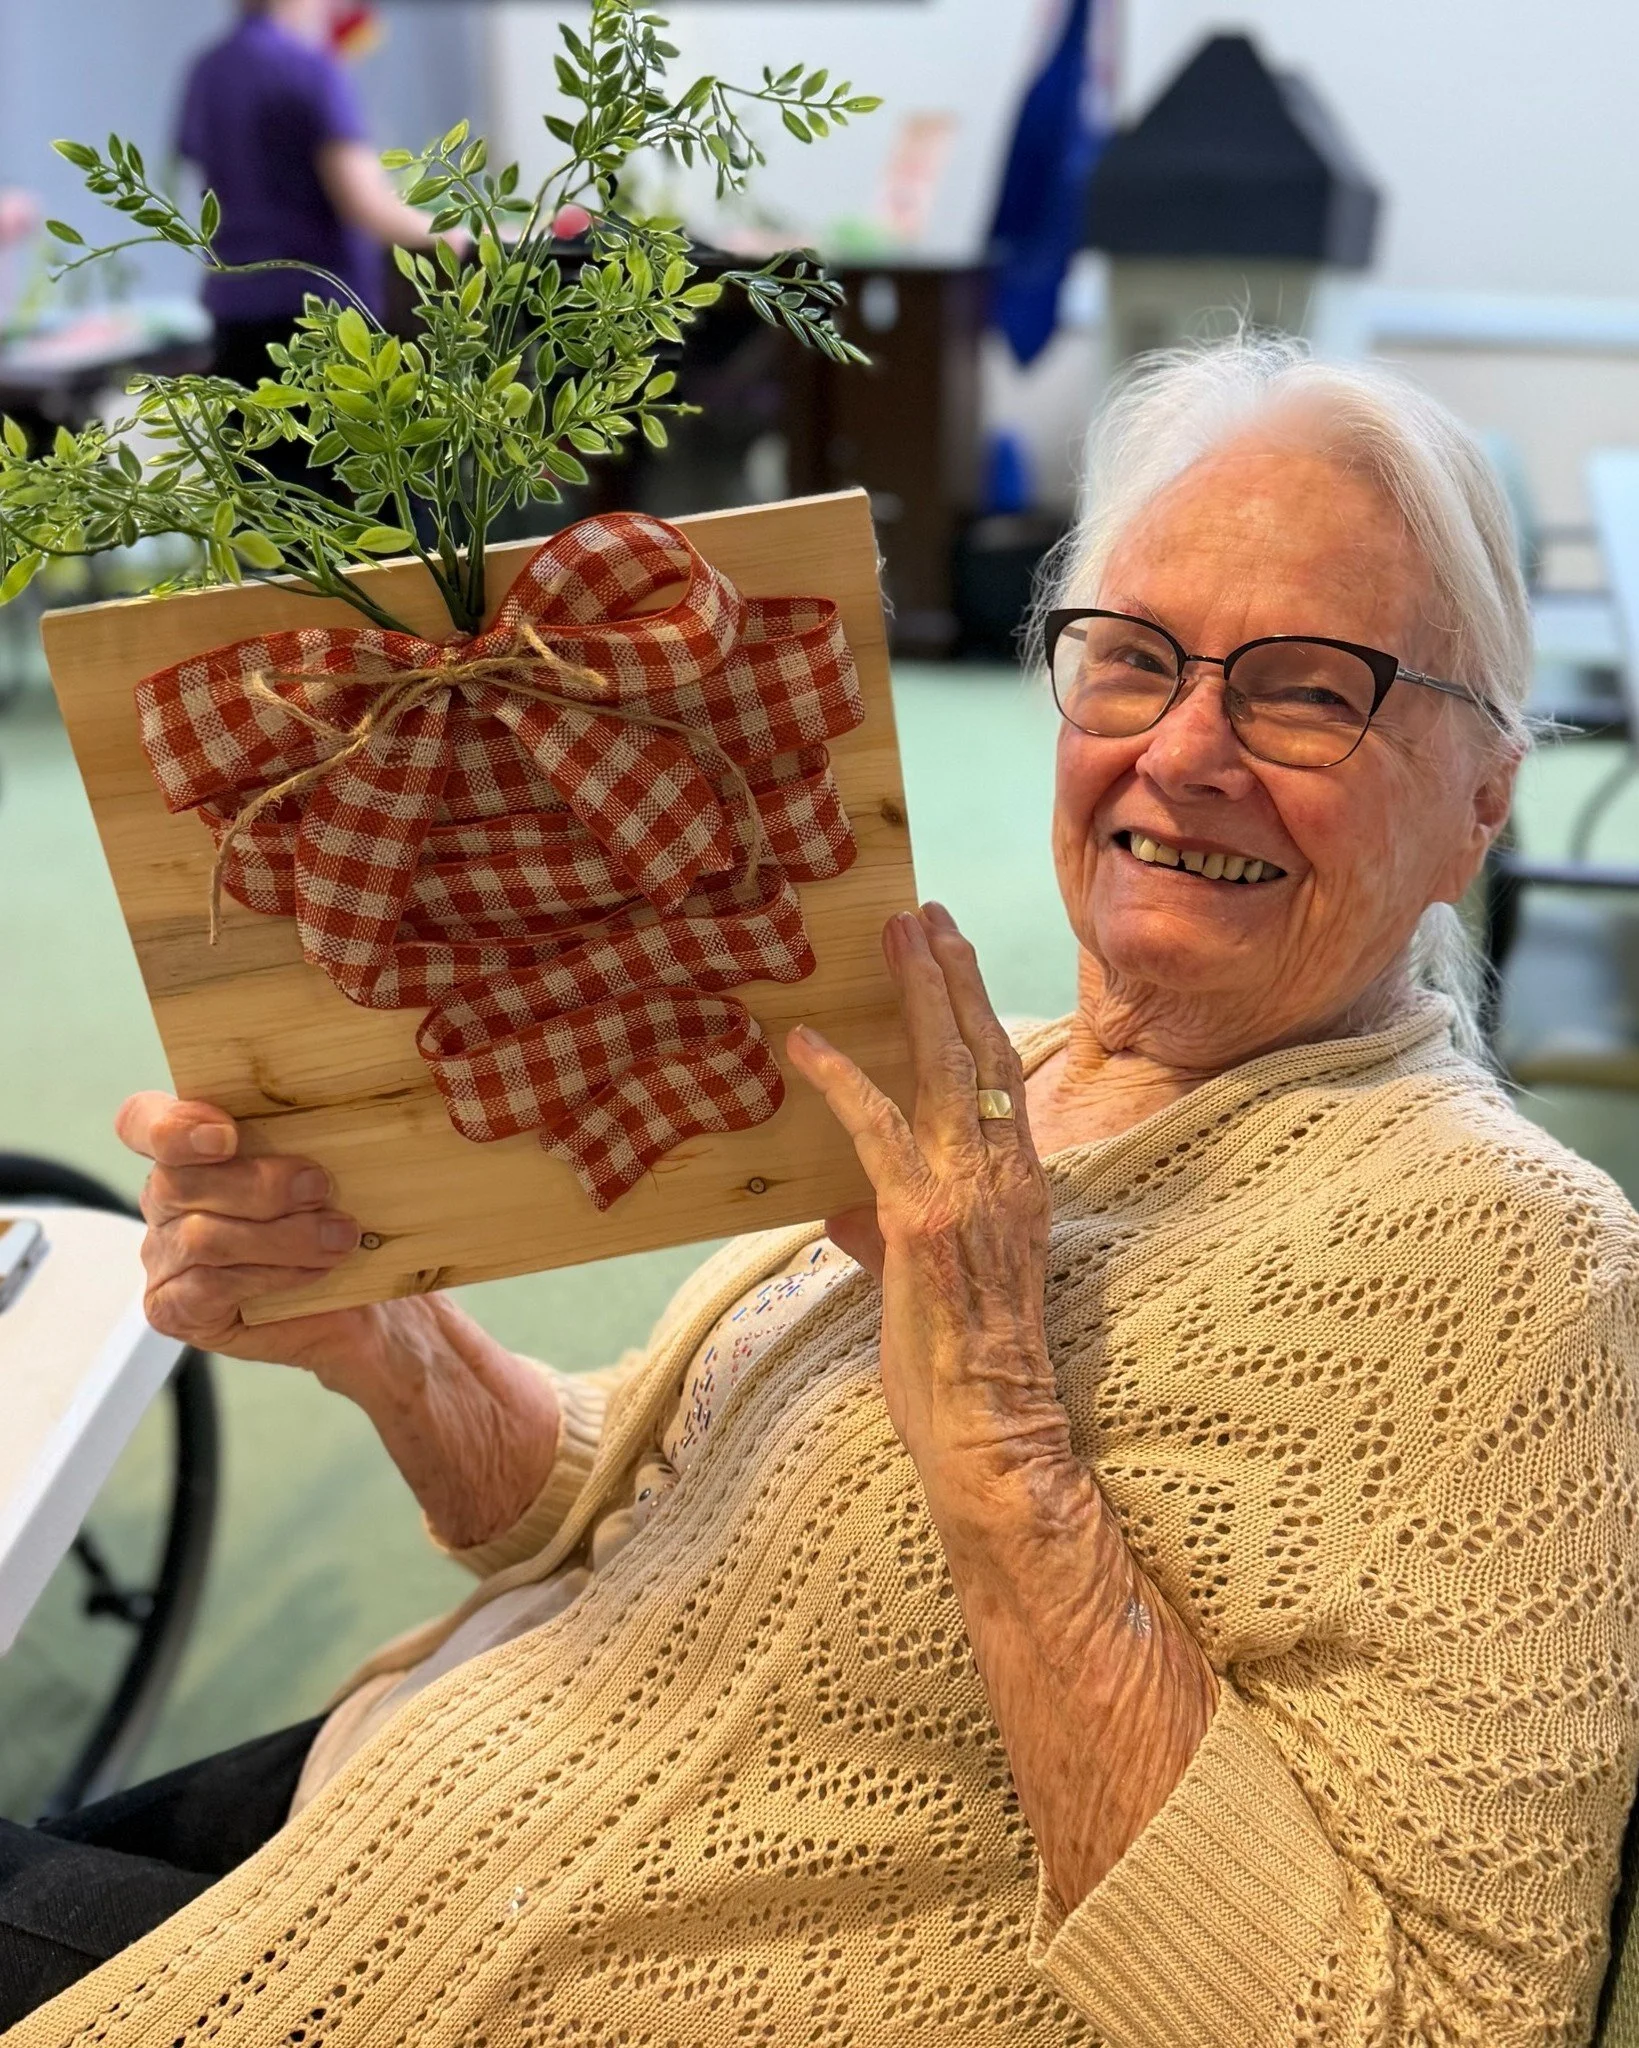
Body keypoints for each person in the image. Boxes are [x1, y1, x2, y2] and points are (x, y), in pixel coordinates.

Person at [5, 334, 1639, 2047]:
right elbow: (655, 1499)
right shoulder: (989, 1068)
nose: (1182, 750)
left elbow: (1437, 2022)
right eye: (1132, 657)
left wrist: (995, 1428)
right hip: (436, 1788)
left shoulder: (1529, 1281)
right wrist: (386, 1342)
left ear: (1481, 799)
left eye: (1306, 688)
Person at [175, 0, 451, 401]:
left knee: (255, 439)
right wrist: (457, 236)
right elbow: (365, 204)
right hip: (319, 320)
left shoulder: (207, 71)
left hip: (234, 316)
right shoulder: (311, 69)